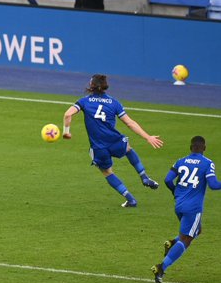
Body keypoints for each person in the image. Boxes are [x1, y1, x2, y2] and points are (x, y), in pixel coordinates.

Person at [62, 74, 163, 207]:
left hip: (99, 147)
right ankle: (144, 177)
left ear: (91, 85)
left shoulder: (84, 101)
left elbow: (68, 114)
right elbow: (130, 123)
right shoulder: (114, 102)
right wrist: (147, 137)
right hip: (115, 140)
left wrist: (66, 132)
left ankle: (131, 199)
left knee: (107, 172)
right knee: (128, 149)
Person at [151, 136, 221, 283]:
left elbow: (167, 180)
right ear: (204, 148)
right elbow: (214, 185)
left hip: (179, 205)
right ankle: (161, 267)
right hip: (193, 208)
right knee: (186, 240)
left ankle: (172, 243)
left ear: (191, 148)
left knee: (197, 230)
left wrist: (175, 191)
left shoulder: (181, 161)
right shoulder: (207, 163)